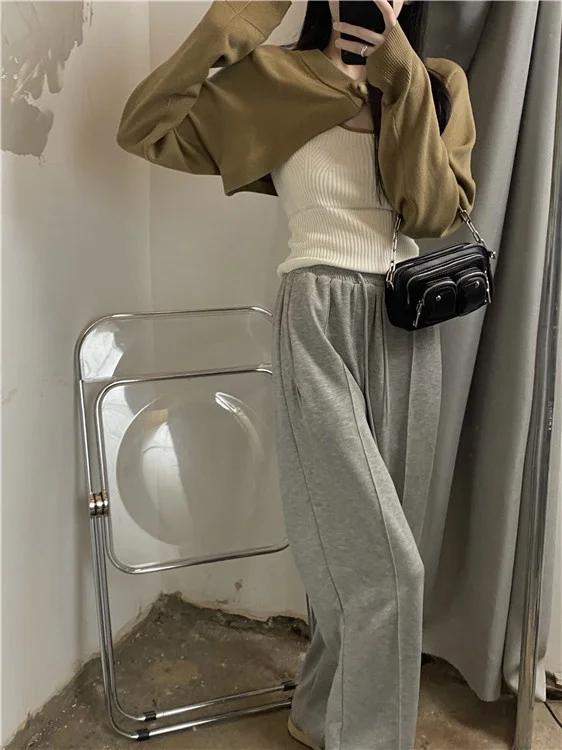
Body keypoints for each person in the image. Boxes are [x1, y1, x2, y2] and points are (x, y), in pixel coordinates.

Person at [117, 1, 476, 748]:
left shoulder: (437, 82)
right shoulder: (274, 77)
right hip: (316, 317)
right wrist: (243, 18)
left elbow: (432, 214)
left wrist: (401, 75)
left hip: (407, 330)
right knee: (384, 567)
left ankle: (316, 713)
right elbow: (145, 126)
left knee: (368, 557)